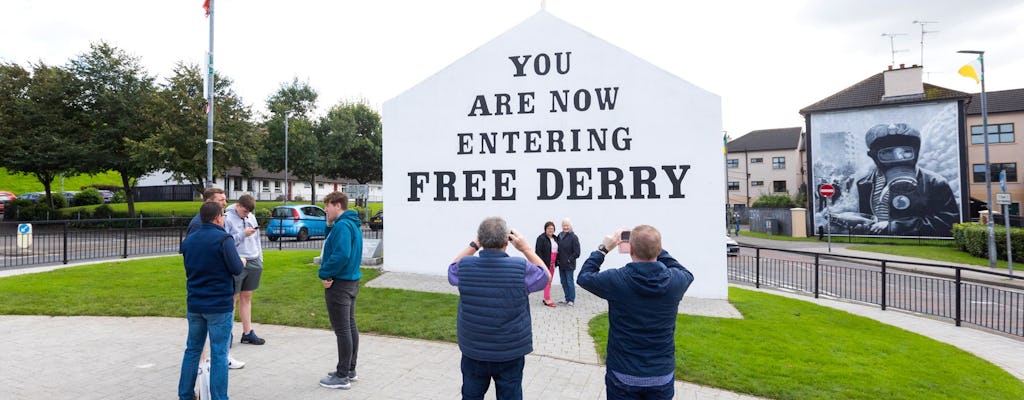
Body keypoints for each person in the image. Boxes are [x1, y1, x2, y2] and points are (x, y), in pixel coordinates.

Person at [577, 225, 694, 400]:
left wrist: (603, 249)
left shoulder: (616, 280)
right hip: (660, 374)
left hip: (623, 374)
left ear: (630, 250)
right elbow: (687, 273)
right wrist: (655, 247)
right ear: (660, 249)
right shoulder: (676, 281)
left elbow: (584, 276)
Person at [447, 217, 551, 400]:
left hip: (474, 350)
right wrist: (526, 248)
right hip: (509, 352)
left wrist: (474, 244)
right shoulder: (521, 268)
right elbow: (545, 276)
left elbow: (452, 268)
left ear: (481, 241)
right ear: (507, 241)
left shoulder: (465, 266)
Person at [838, 123, 959, 236]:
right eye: (886, 153)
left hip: (911, 246)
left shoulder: (935, 183)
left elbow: (948, 222)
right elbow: (868, 218)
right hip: (875, 245)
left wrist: (896, 227)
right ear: (873, 156)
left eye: (906, 152)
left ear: (916, 152)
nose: (898, 159)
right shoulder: (865, 184)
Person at [178, 202, 246, 400]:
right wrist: (241, 261)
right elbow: (236, 268)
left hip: (196, 303)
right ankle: (218, 396)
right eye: (223, 215)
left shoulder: (189, 241)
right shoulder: (223, 239)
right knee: (219, 353)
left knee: (192, 349)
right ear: (218, 217)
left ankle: (185, 394)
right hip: (219, 304)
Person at [185, 187, 245, 370]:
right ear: (209, 203)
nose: (225, 204)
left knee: (195, 347)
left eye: (225, 200)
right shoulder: (198, 226)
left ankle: (210, 362)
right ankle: (204, 363)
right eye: (220, 200)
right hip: (213, 297)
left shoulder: (211, 228)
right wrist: (237, 261)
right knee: (200, 348)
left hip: (200, 298)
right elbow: (200, 260)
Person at [318, 192, 364, 390]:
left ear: (337, 205)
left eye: (327, 206)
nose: (325, 210)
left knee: (342, 330)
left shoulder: (344, 226)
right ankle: (350, 370)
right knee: (350, 326)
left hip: (340, 284)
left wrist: (325, 273)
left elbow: (341, 253)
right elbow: (333, 243)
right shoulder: (349, 223)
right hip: (351, 281)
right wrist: (329, 225)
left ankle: (342, 375)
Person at [223, 194, 266, 345]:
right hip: (237, 261)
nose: (246, 214)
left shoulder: (251, 218)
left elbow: (256, 239)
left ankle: (248, 332)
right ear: (238, 206)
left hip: (253, 260)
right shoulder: (227, 218)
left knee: (247, 296)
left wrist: (260, 258)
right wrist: (242, 234)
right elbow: (225, 242)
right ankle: (227, 335)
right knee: (232, 298)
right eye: (245, 211)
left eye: (249, 212)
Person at [555, 218, 580, 306]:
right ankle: (567, 298)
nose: (565, 227)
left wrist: (569, 259)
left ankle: (571, 300)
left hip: (569, 264)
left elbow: (577, 252)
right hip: (561, 264)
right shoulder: (560, 236)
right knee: (563, 281)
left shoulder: (573, 237)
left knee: (569, 281)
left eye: (567, 225)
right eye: (564, 225)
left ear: (570, 226)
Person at [534, 221, 558, 307]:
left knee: (549, 281)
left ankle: (545, 298)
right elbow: (538, 252)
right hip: (545, 264)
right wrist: (541, 263)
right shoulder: (541, 238)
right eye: (548, 228)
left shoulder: (555, 238)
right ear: (545, 229)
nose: (550, 230)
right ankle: (547, 299)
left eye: (552, 228)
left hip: (553, 264)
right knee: (547, 280)